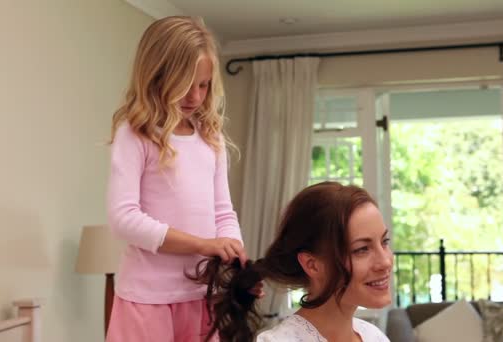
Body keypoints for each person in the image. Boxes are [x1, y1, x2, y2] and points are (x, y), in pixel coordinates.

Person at [105, 16, 249, 342]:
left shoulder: (210, 138)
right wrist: (203, 245)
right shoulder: (136, 134)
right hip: (148, 298)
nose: (196, 97)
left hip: (201, 296)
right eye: (185, 84)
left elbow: (224, 214)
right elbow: (123, 219)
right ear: (156, 75)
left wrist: (236, 258)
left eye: (204, 85)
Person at [191, 182, 393, 342]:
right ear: (312, 265)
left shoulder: (374, 337)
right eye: (361, 250)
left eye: (384, 242)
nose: (385, 262)